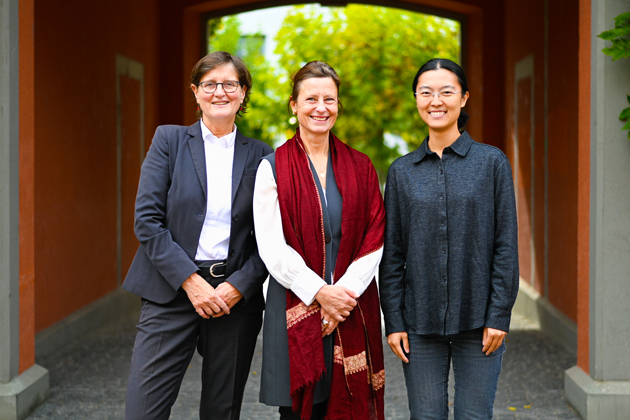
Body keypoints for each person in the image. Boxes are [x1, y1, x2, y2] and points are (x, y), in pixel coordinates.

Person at [122, 51, 273, 420]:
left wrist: (239, 285)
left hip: (233, 298)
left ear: (243, 93)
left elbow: (270, 235)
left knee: (221, 412)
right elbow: (147, 220)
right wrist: (191, 282)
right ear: (195, 91)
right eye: (209, 84)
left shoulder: (263, 155)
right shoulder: (169, 141)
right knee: (143, 411)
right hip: (170, 290)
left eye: (229, 84)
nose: (219, 92)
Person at [379, 58, 519, 420]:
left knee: (474, 416)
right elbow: (392, 254)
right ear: (416, 99)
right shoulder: (401, 172)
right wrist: (393, 320)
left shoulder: (492, 163)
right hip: (419, 321)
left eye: (446, 91)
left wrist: (499, 314)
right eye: (426, 92)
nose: (435, 100)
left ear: (464, 98)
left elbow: (505, 244)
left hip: (480, 319)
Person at [253, 61, 386, 420]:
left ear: (339, 105)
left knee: (348, 406)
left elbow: (375, 235)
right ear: (294, 105)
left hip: (351, 304)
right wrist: (319, 293)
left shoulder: (362, 167)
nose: (321, 107)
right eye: (311, 99)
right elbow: (271, 245)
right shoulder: (272, 167)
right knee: (297, 413)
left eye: (330, 99)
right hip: (294, 303)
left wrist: (342, 296)